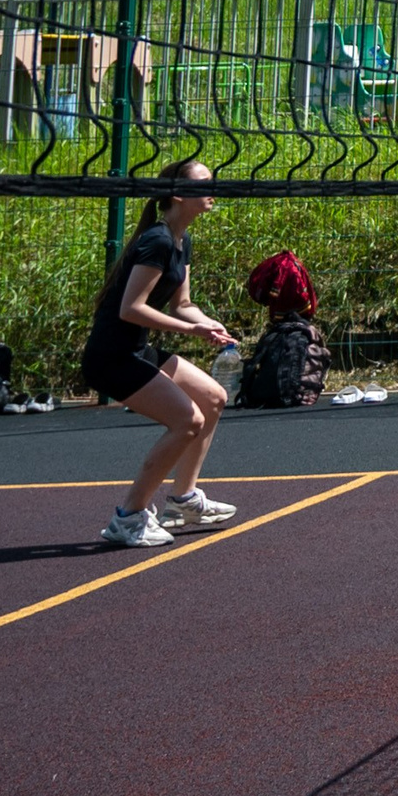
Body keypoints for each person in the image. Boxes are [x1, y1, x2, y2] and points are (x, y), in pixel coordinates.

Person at [82, 160, 239, 546]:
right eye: (204, 183)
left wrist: (208, 324)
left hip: (135, 349)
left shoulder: (182, 240)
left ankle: (183, 499)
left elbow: (181, 304)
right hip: (110, 358)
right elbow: (131, 308)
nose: (212, 190)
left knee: (213, 398)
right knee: (188, 420)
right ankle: (128, 517)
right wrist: (191, 330)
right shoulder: (158, 240)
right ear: (178, 194)